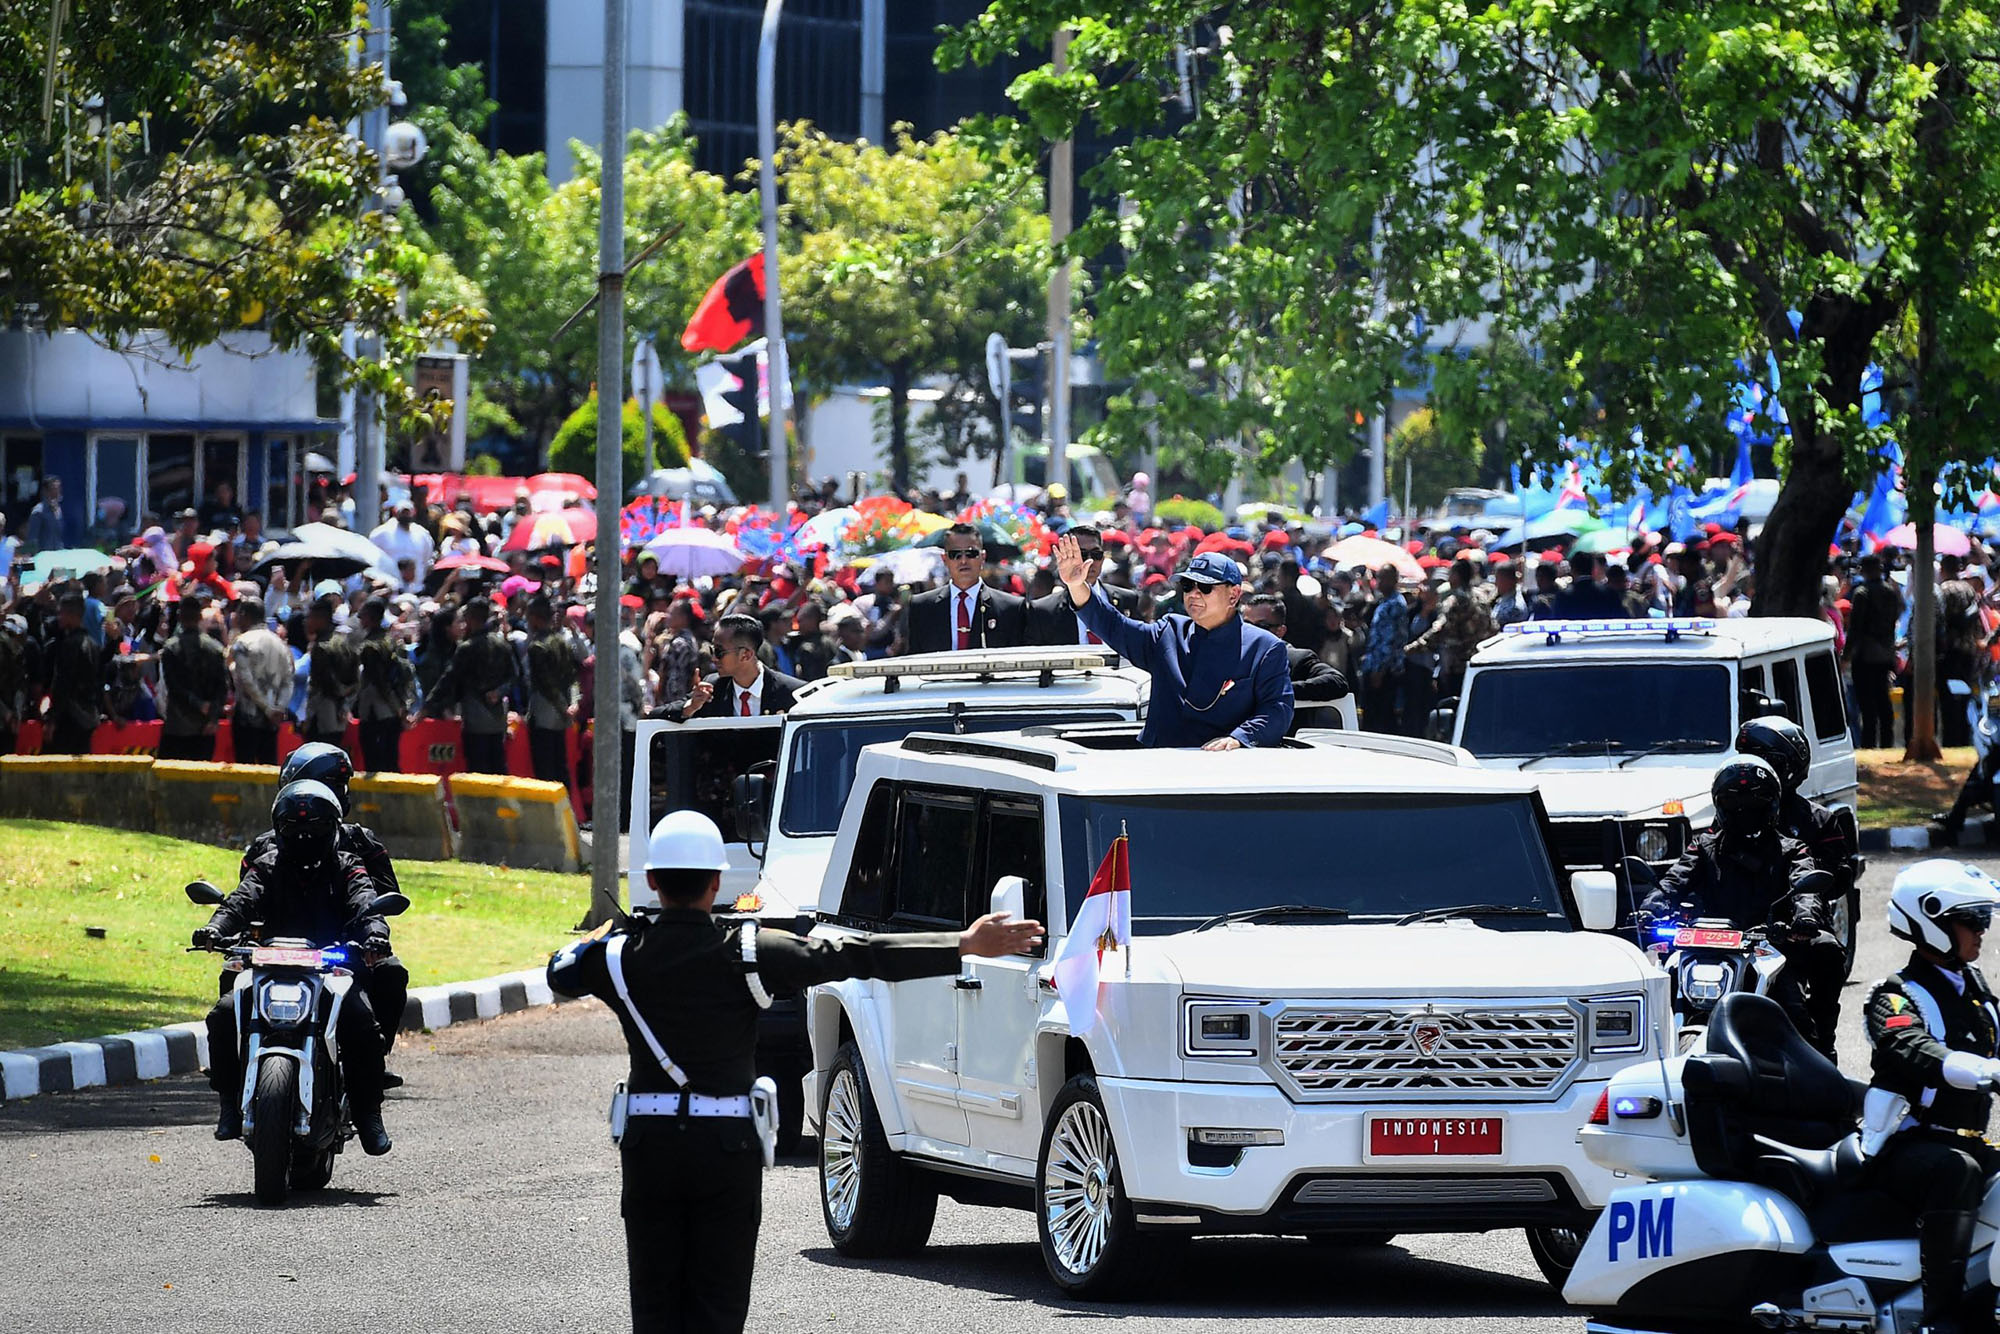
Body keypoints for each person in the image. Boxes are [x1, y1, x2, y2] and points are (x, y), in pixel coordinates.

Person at [546, 809, 1043, 1334]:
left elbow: (560, 970)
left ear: (651, 881)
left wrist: (597, 939)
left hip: (650, 1150)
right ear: (716, 881)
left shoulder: (620, 958)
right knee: (718, 1304)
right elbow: (859, 955)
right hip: (725, 1149)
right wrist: (962, 944)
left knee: (654, 1306)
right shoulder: (749, 952)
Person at [196, 779, 393, 1154]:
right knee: (223, 1015)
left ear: (333, 827)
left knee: (362, 1022)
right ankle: (228, 1103)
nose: (304, 835)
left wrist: (374, 935)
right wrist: (214, 929)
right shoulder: (266, 866)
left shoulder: (348, 866)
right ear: (279, 829)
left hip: (330, 968)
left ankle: (368, 1113)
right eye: (294, 827)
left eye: (315, 827)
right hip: (270, 964)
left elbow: (367, 905)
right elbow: (238, 902)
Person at [1863, 860, 2000, 1334]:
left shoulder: (1973, 988)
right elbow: (1912, 1049)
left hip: (1962, 1138)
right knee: (1954, 1172)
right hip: (1906, 1143)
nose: (1982, 931)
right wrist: (1986, 1071)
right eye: (1973, 920)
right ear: (1933, 923)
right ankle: (1941, 1315)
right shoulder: (1895, 995)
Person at [1638, 758, 1844, 1058]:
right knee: (1655, 1001)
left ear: (1772, 806)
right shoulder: (1703, 847)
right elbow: (1672, 881)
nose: (1744, 811)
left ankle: (1822, 1056)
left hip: (1771, 947)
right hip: (1707, 947)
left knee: (1799, 1009)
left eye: (1754, 804)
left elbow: (1805, 886)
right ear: (1720, 806)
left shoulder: (1792, 849)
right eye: (1735, 803)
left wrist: (1805, 918)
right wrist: (1648, 908)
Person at [234, 743, 410, 1067]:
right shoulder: (267, 847)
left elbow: (380, 899)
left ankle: (371, 1066)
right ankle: (233, 1068)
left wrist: (368, 933)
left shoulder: (360, 843)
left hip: (341, 950)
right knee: (228, 985)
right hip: (277, 952)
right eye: (333, 784)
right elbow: (244, 900)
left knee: (390, 973)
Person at [1053, 536, 1293, 749]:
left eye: (1206, 587)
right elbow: (1114, 626)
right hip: (1160, 769)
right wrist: (1076, 585)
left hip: (1223, 773)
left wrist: (1238, 739)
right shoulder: (1169, 631)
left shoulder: (1265, 647)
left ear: (1233, 595)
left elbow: (1277, 710)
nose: (1193, 594)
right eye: (1188, 586)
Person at [421, 597, 516, 774]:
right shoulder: (502, 644)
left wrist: (426, 708)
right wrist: (499, 691)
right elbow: (513, 676)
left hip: (475, 719)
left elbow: (447, 680)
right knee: (498, 768)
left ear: (471, 619)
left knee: (477, 771)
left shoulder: (467, 648)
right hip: (497, 720)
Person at [904, 523, 1025, 653]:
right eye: (955, 554)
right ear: (945, 559)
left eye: (971, 553)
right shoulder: (921, 607)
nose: (963, 561)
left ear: (983, 557)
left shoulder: (1011, 608)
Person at [1241, 593, 1349, 734]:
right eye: (1247, 625)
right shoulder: (1233, 656)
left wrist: (1281, 689)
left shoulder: (1296, 658)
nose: (1253, 632)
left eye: (1262, 626)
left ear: (1280, 631)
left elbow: (1337, 682)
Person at [668, 614, 803, 720]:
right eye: (712, 650)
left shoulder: (793, 693)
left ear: (746, 655)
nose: (714, 658)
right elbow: (657, 715)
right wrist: (691, 707)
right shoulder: (711, 690)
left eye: (719, 652)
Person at [1024, 524, 1138, 646]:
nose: (1090, 561)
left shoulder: (1127, 599)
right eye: (1082, 555)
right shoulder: (1043, 610)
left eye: (1096, 554)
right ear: (1065, 557)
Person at [157, 594, 229, 762]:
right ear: (199, 617)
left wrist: (197, 703)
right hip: (206, 727)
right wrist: (213, 717)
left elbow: (173, 687)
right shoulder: (215, 648)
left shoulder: (170, 648)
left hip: (178, 728)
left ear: (179, 616)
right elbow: (222, 687)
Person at [1845, 554, 1903, 748]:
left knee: (1867, 704)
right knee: (1883, 700)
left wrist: (1846, 655)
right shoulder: (1891, 592)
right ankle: (1887, 742)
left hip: (1865, 655)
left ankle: (1869, 742)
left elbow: (1855, 628)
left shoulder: (1862, 593)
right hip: (1885, 653)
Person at [227, 598, 291, 766]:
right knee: (269, 768)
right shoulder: (280, 643)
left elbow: (246, 681)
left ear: (244, 615)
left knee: (245, 770)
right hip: (272, 721)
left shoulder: (242, 642)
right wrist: (279, 708)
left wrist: (267, 709)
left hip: (247, 718)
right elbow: (288, 680)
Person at [525, 593, 578, 787]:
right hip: (561, 716)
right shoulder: (562, 641)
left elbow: (545, 684)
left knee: (545, 769)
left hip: (544, 712)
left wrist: (562, 706)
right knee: (561, 765)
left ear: (535, 618)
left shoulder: (537, 646)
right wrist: (571, 704)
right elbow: (572, 676)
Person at [355, 598, 414, 773]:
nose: (360, 619)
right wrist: (401, 707)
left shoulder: (370, 647)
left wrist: (396, 707)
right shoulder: (392, 641)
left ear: (372, 618)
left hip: (377, 709)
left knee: (374, 759)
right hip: (392, 709)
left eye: (363, 616)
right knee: (391, 757)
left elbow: (380, 682)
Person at [44, 593, 102, 754]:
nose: (59, 618)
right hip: (88, 717)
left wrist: (52, 719)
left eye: (60, 613)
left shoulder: (70, 645)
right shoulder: (93, 644)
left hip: (70, 717)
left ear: (71, 615)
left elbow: (63, 683)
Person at [301, 596, 359, 750]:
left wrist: (308, 718)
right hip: (340, 716)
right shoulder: (344, 641)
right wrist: (345, 705)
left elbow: (326, 684)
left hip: (323, 715)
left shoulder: (321, 647)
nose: (307, 622)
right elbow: (355, 678)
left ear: (321, 619)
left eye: (310, 617)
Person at [1360, 564, 1409, 734]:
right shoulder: (1385, 602)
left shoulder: (1395, 604)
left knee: (1381, 718)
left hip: (1384, 671)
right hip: (1374, 665)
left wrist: (1379, 670)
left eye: (1382, 578)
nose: (1378, 582)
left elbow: (1390, 640)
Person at [23, 476, 67, 554]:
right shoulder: (38, 512)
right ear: (45, 491)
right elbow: (32, 538)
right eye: (53, 489)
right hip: (43, 557)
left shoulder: (58, 510)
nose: (57, 493)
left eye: (58, 489)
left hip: (58, 555)